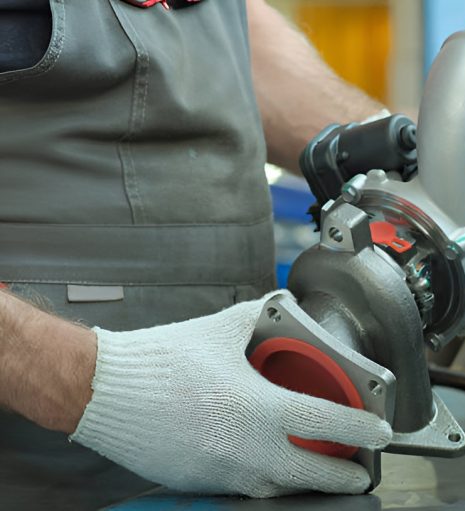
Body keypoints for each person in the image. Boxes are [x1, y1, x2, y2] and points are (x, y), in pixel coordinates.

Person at [0, 0, 393, 505]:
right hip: (39, 469)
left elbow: (218, 30)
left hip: (245, 443)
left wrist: (388, 166)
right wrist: (102, 388)